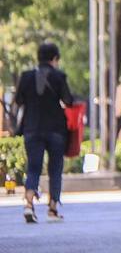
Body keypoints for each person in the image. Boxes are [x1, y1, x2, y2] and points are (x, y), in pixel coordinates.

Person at [14, 41, 74, 223]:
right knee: (55, 169)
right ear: (55, 59)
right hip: (56, 130)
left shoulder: (26, 77)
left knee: (33, 167)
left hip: (32, 129)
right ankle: (53, 209)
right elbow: (68, 101)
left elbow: (18, 100)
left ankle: (29, 205)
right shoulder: (59, 76)